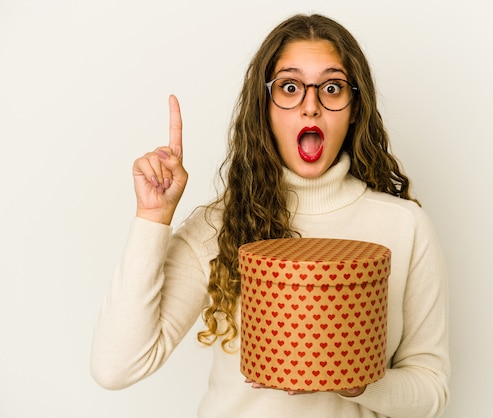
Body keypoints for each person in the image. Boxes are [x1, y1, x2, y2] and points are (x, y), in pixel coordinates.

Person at [91, 13, 450, 418]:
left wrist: (357, 381)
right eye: (290, 87)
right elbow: (115, 367)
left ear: (354, 107)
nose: (310, 107)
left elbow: (431, 390)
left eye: (331, 88)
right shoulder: (220, 225)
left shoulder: (404, 226)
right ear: (264, 107)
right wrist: (153, 216)